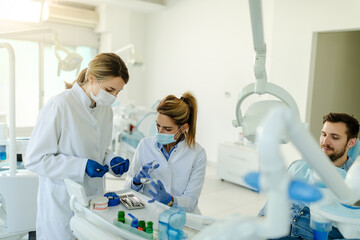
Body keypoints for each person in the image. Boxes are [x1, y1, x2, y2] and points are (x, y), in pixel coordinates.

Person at [25, 53, 130, 240]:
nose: (113, 96)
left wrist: (111, 159)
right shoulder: (60, 105)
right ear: (92, 79)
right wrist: (82, 166)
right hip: (62, 204)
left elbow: (100, 148)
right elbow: (35, 159)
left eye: (118, 92)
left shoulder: (105, 109)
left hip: (93, 202)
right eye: (110, 89)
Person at [259, 112, 360, 240]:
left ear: (351, 143)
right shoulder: (299, 166)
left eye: (334, 137)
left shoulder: (354, 181)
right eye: (323, 134)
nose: (325, 142)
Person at [124, 92, 207, 213]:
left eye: (167, 129)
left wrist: (170, 200)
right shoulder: (144, 145)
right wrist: (136, 181)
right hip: (150, 212)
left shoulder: (197, 153)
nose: (160, 132)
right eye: (158, 126)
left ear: (183, 128)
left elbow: (191, 201)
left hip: (180, 216)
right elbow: (127, 186)